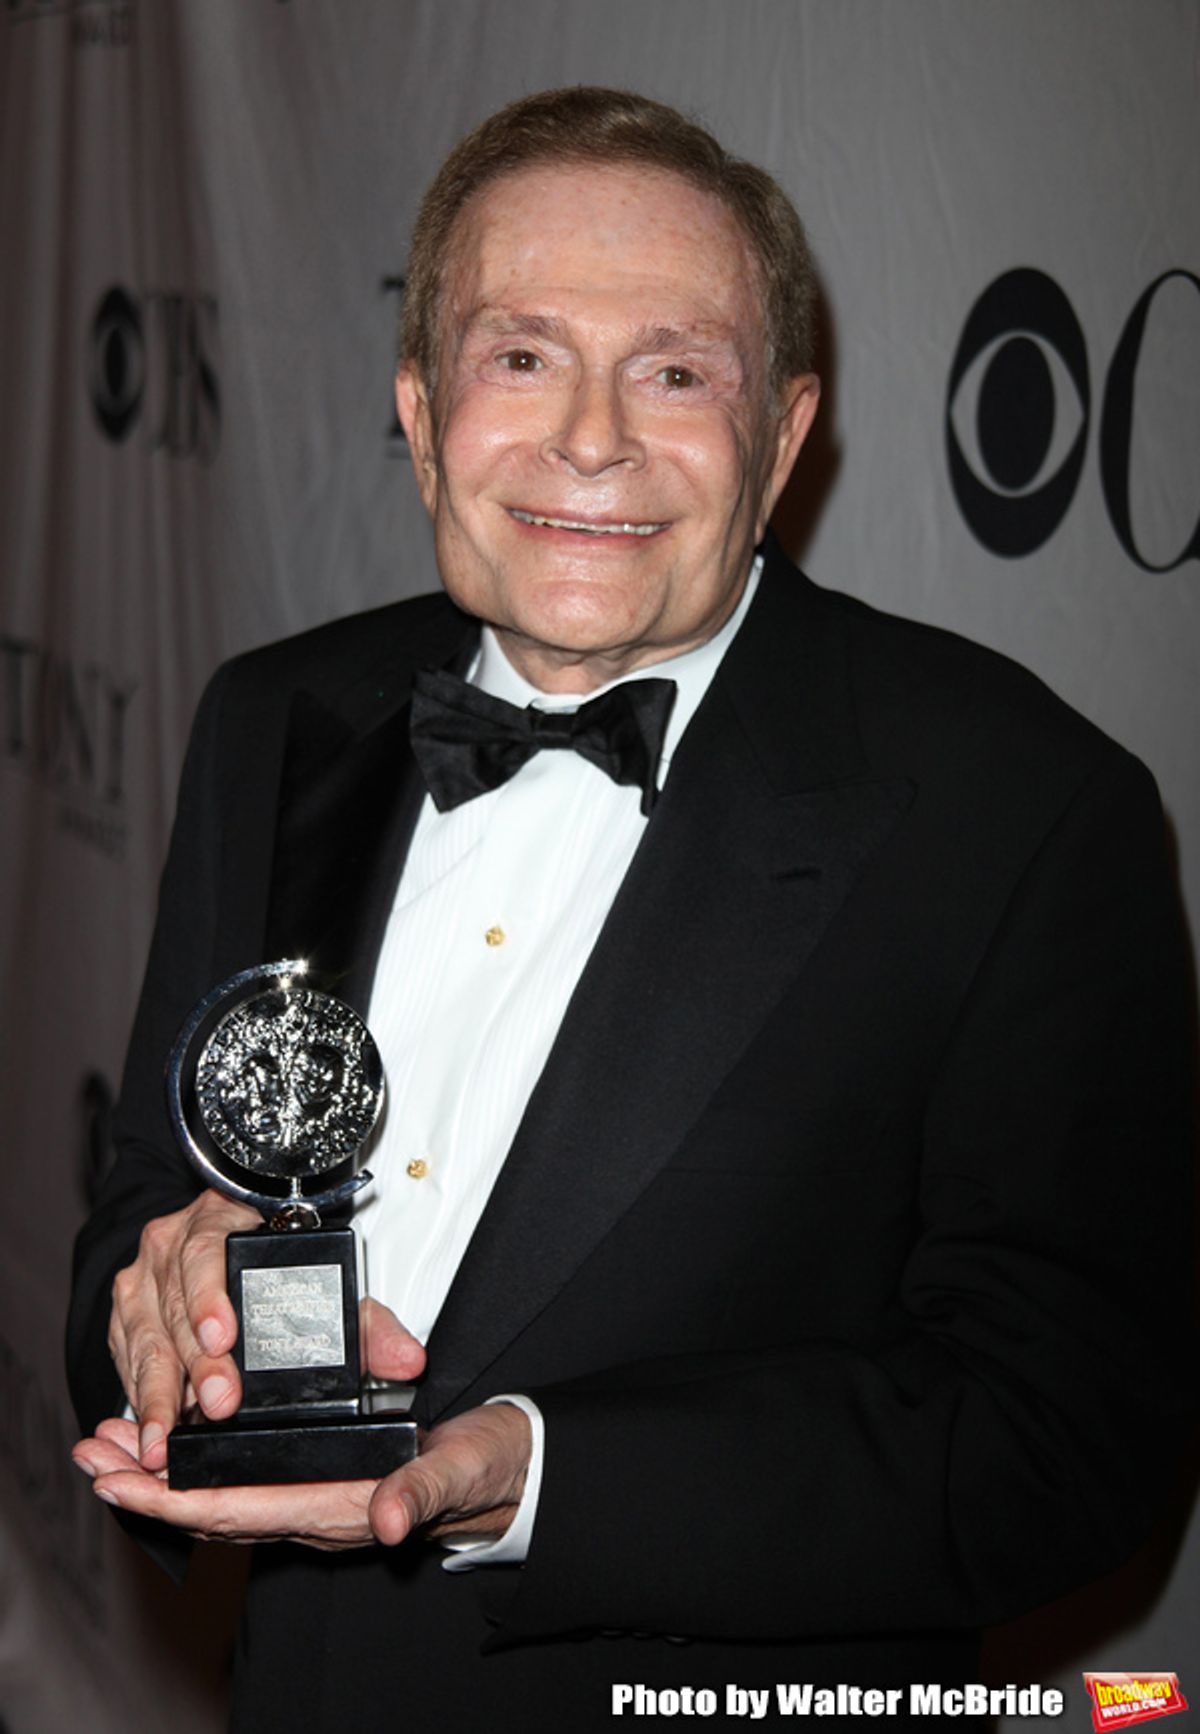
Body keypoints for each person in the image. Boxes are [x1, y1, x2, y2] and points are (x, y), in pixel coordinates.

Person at [68, 87, 1194, 1730]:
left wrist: (532, 1476)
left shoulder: (1019, 809)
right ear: (417, 401)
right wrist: (168, 1312)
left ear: (787, 433)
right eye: (521, 355)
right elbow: (137, 1216)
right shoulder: (272, 716)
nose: (591, 437)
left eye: (676, 371)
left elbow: (1067, 1440)